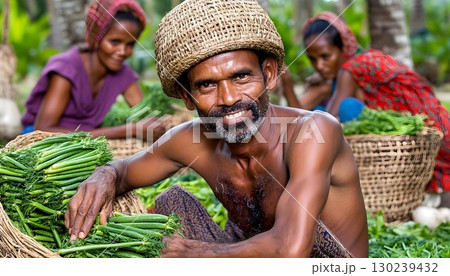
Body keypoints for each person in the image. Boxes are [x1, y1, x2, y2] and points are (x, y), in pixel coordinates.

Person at [65, 0, 368, 257]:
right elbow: (124, 172)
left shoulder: (314, 131)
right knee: (173, 202)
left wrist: (192, 253)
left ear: (270, 74)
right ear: (186, 96)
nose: (229, 98)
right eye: (207, 85)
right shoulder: (193, 140)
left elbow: (289, 250)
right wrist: (105, 174)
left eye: (241, 77)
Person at [282, 12, 450, 203]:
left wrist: (289, 86)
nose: (320, 65)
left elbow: (325, 123)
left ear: (343, 48)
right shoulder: (336, 75)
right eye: (313, 59)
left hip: (394, 136)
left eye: (325, 56)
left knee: (345, 108)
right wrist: (307, 89)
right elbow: (296, 115)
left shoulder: (350, 69)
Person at [21, 0, 166, 139]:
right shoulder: (66, 69)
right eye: (115, 42)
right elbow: (43, 130)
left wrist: (158, 125)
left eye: (130, 44)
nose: (122, 51)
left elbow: (147, 116)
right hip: (44, 143)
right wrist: (128, 130)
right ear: (97, 38)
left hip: (86, 142)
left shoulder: (123, 74)